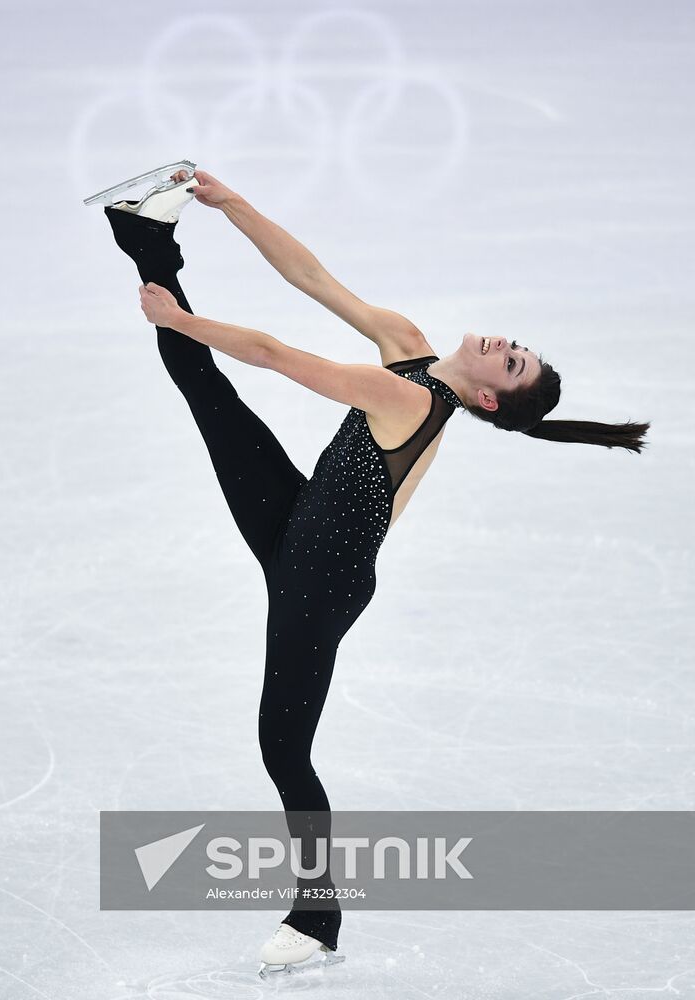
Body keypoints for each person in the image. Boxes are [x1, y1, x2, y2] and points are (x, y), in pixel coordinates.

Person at [95, 165, 649, 976]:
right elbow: (314, 278)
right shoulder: (408, 348)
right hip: (295, 523)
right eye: (519, 349)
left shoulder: (412, 400)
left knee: (283, 748)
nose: (507, 345)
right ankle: (147, 234)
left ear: (490, 400)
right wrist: (233, 203)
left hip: (322, 580)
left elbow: (276, 355)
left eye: (513, 364)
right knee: (199, 378)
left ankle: (316, 916)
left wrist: (182, 319)